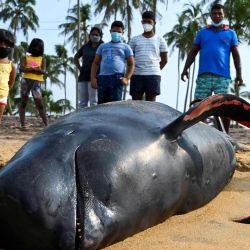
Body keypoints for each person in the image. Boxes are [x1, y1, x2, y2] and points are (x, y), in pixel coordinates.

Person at [181, 3, 243, 133]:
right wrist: (185, 68)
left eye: (220, 13)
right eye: (214, 13)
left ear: (224, 15)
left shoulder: (230, 33)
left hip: (222, 76)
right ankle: (201, 134)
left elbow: (236, 55)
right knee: (199, 106)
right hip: (204, 76)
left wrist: (239, 75)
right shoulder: (202, 33)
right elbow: (193, 51)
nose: (217, 16)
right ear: (211, 15)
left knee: (224, 107)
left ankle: (226, 135)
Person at [91, 20, 134, 104]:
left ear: (122, 33)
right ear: (110, 31)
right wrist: (93, 78)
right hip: (103, 78)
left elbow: (131, 64)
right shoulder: (102, 46)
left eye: (119, 32)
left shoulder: (126, 47)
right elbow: (95, 63)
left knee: (115, 104)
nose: (116, 33)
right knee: (102, 104)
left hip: (117, 78)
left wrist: (127, 78)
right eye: (114, 31)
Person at [129, 11, 168, 101]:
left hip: (153, 74)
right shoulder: (134, 40)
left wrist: (154, 69)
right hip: (136, 74)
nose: (146, 24)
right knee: (136, 103)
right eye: (144, 22)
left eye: (149, 22)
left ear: (154, 23)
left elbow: (165, 59)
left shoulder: (160, 39)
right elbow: (130, 58)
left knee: (151, 104)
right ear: (141, 22)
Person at [19, 38, 48, 128]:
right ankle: (22, 123)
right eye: (35, 46)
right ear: (31, 47)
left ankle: (46, 124)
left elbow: (43, 71)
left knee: (39, 102)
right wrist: (34, 69)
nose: (36, 48)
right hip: (26, 81)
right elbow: (21, 68)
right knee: (24, 102)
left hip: (37, 82)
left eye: (39, 47)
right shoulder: (25, 57)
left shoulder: (42, 59)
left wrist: (29, 70)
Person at [74, 26, 104, 108]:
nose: (94, 36)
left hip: (95, 77)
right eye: (92, 34)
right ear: (89, 35)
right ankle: (81, 120)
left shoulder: (103, 47)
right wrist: (80, 68)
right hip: (83, 76)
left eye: (97, 35)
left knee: (94, 101)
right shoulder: (85, 47)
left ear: (100, 36)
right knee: (82, 102)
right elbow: (76, 57)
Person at [0, 29, 16, 125]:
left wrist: (5, 91)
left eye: (7, 45)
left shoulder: (11, 65)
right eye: (1, 44)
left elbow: (11, 82)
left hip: (2, 96)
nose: (3, 47)